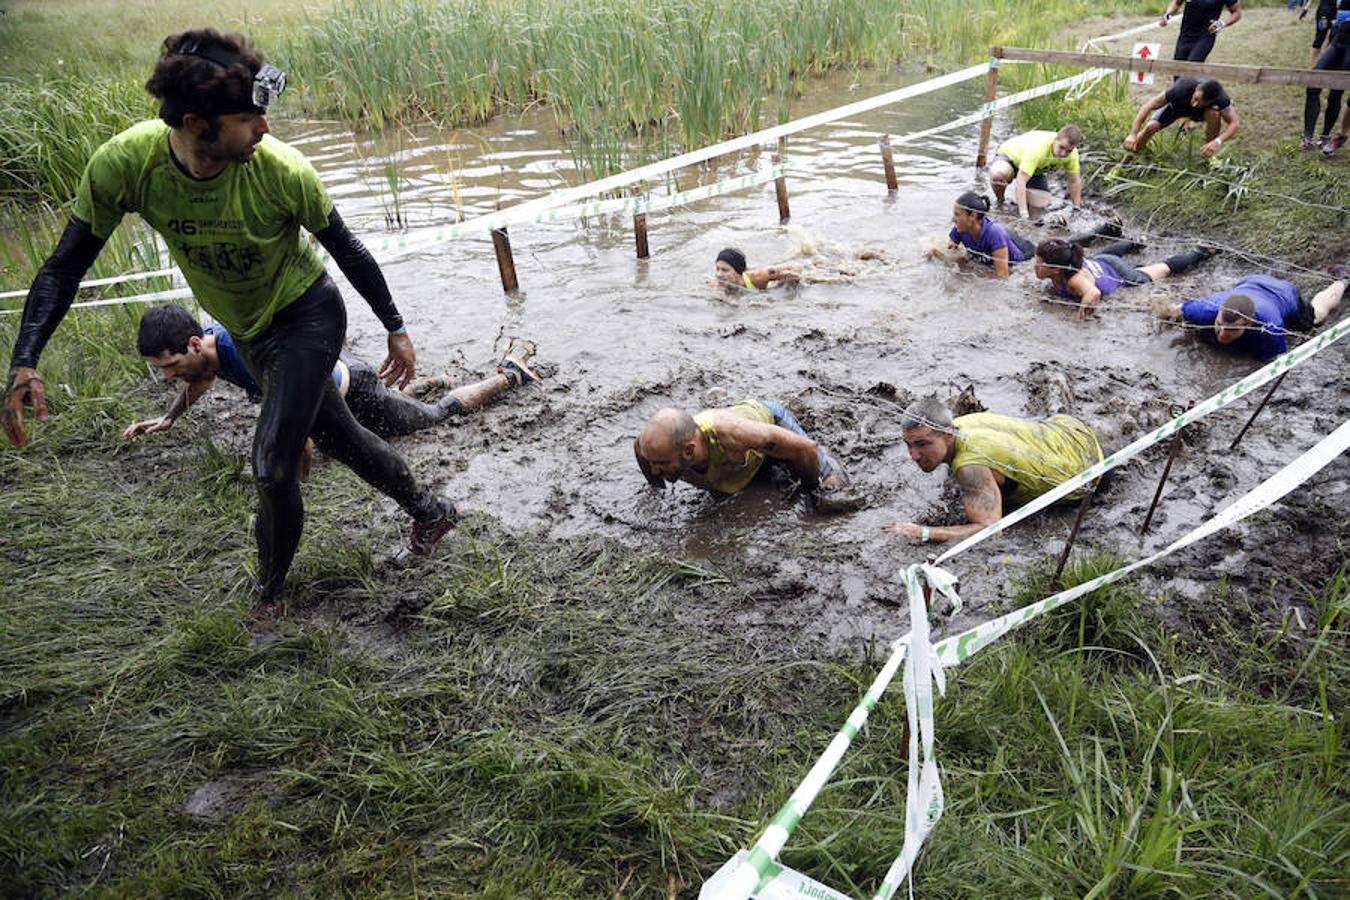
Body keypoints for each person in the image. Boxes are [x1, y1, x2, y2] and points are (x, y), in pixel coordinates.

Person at [2, 29, 456, 613]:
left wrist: (395, 326)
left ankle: (268, 596)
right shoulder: (127, 165)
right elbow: (63, 267)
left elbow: (349, 251)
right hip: (247, 329)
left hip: (307, 316)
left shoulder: (281, 171)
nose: (264, 129)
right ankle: (431, 511)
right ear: (197, 123)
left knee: (270, 467)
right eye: (248, 119)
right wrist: (25, 360)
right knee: (340, 436)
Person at [123, 304, 541, 446]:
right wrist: (168, 419)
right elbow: (198, 382)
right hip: (333, 372)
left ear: (194, 344)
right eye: (163, 370)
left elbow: (296, 423)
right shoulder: (207, 352)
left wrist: (289, 473)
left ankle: (510, 374)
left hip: (352, 389)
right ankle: (434, 380)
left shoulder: (241, 352)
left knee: (431, 419)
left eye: (171, 366)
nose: (169, 376)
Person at [882, 397, 1103, 544]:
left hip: (1087, 475)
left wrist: (924, 532)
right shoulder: (962, 423)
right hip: (1068, 426)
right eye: (908, 445)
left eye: (922, 444)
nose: (913, 456)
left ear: (948, 435)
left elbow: (990, 530)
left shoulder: (969, 468)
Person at [634, 400, 850, 499]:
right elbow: (643, 455)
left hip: (768, 421)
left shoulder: (734, 435)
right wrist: (656, 491)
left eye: (661, 464)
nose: (653, 470)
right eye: (650, 461)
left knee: (832, 486)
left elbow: (806, 449)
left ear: (689, 451)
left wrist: (809, 492)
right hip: (738, 459)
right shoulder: (647, 447)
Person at [1154, 267, 1347, 358]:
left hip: (1282, 293)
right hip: (1249, 281)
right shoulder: (1205, 310)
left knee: (1317, 317)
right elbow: (1172, 311)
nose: (1221, 334)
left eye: (1231, 330)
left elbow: (1273, 365)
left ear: (1250, 324)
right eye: (1219, 325)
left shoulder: (1270, 329)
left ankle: (1343, 281)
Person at [943, 192, 1125, 279]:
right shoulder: (960, 229)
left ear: (972, 217)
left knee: (1070, 250)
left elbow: (1002, 275)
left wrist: (973, 281)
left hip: (1026, 257)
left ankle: (1115, 235)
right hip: (1010, 242)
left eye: (957, 215)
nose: (953, 219)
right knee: (1067, 243)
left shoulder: (993, 233)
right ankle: (1104, 229)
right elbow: (949, 250)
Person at [1033, 236, 1215, 320]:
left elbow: (1094, 293)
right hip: (1100, 261)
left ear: (1055, 270)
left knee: (1161, 269)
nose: (1035, 266)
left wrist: (1081, 317)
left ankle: (1200, 252)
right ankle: (1134, 242)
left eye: (1039, 263)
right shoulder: (1065, 264)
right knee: (1103, 255)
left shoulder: (1074, 280)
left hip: (1120, 274)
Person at [1122, 77, 1240, 158]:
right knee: (1150, 127)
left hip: (1200, 114)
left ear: (1210, 101)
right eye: (1195, 99)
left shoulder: (1221, 100)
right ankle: (1129, 158)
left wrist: (1216, 142)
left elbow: (1234, 124)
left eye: (1200, 102)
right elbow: (1148, 106)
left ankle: (1208, 153)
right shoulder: (1182, 87)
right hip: (1177, 108)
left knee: (1214, 114)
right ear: (1197, 88)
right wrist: (1133, 134)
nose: (1194, 104)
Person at [987, 126, 1083, 220]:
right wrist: (1023, 214)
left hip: (1034, 170)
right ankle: (1000, 201)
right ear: (1055, 139)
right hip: (1011, 158)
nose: (1063, 154)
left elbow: (1074, 181)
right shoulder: (1038, 147)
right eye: (1061, 147)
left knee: (1039, 207)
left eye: (1068, 151)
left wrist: (1076, 209)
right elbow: (1021, 180)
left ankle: (1025, 203)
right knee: (998, 174)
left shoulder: (1072, 154)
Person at [1302, 0, 1350, 151]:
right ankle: (1308, 137)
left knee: (1336, 90)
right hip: (1339, 39)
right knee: (1313, 82)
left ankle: (1325, 137)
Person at [1159, 0, 1242, 63]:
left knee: (1192, 67)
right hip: (1185, 35)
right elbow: (1177, 3)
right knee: (1178, 72)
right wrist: (1167, 14)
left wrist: (1221, 24)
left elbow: (1237, 13)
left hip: (1205, 36)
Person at [709, 248, 802, 290]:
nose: (719, 275)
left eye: (725, 270)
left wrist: (787, 281)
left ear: (738, 272)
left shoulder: (758, 276)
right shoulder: (715, 285)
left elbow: (795, 266)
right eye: (717, 269)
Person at [1310, 0, 1338, 67]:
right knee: (1320, 37)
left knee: (1334, 37)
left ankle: (1328, 61)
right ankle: (1313, 65)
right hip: (1325, 11)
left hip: (1337, 11)